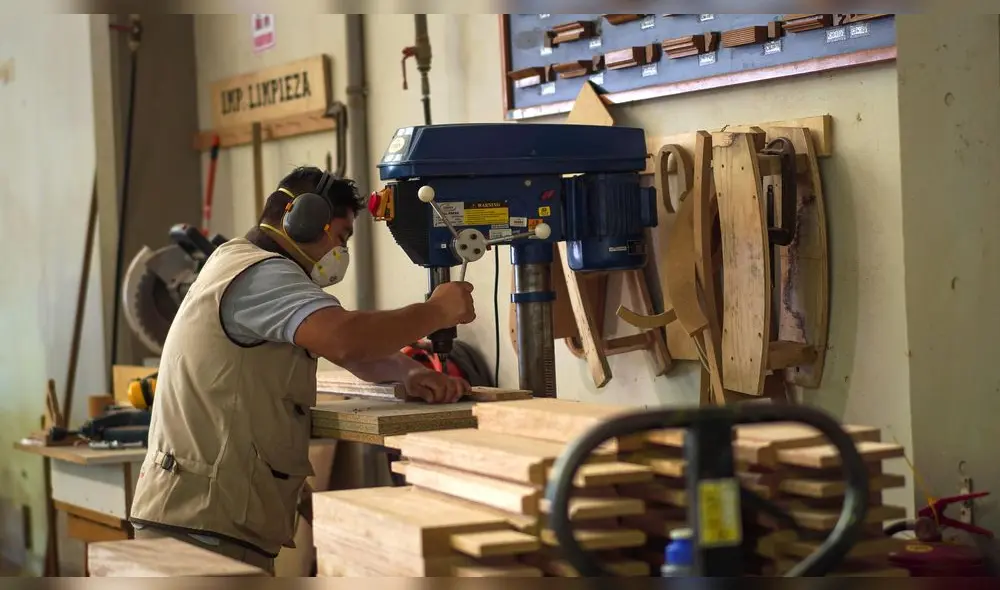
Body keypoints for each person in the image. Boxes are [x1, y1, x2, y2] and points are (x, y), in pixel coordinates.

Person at [128, 166, 476, 574]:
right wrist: (436, 311)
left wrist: (408, 373)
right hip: (204, 527)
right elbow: (346, 338)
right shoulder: (261, 274)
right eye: (341, 236)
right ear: (303, 217)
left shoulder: (238, 263)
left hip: (204, 519)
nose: (340, 252)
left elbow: (350, 352)